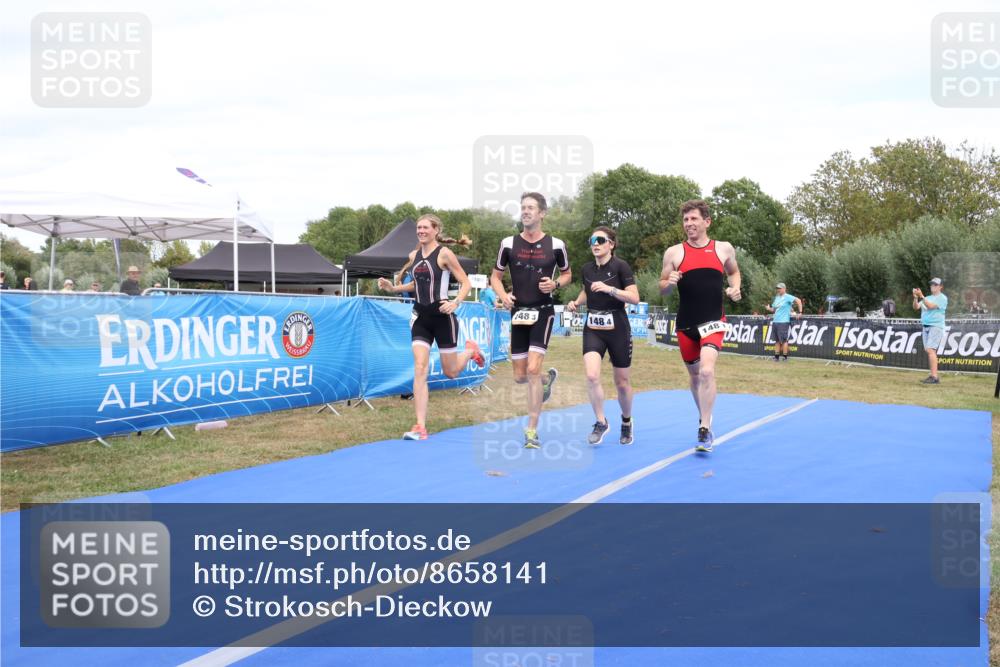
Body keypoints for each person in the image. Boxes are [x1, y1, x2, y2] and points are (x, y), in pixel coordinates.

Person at [377, 214, 485, 440]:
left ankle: (470, 351)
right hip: (421, 318)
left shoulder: (445, 254)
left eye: (425, 227)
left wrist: (455, 303)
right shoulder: (414, 255)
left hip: (443, 317)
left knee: (451, 372)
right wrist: (392, 288)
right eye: (419, 227)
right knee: (419, 368)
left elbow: (465, 282)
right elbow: (416, 284)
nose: (421, 231)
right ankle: (420, 426)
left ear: (436, 230)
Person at [490, 192, 572, 449]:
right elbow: (495, 277)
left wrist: (556, 283)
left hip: (543, 312)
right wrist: (503, 295)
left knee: (532, 370)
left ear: (542, 213)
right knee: (520, 376)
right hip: (518, 313)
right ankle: (548, 380)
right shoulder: (508, 243)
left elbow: (568, 274)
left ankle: (531, 431)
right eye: (523, 207)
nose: (525, 212)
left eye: (530, 208)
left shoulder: (556, 245)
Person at [659, 199, 741, 453]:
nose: (689, 224)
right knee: (694, 376)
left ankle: (705, 427)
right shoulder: (674, 253)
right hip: (686, 325)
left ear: (707, 222)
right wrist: (669, 282)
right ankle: (703, 415)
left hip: (714, 321)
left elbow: (734, 272)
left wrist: (735, 288)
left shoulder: (723, 248)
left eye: (694, 219)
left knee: (706, 371)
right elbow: (662, 288)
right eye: (685, 220)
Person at [565, 226, 640, 445]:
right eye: (592, 240)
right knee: (591, 375)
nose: (595, 244)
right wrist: (576, 302)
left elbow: (634, 297)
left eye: (600, 240)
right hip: (593, 326)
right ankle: (601, 421)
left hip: (618, 327)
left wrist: (610, 290)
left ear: (611, 244)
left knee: (622, 382)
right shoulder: (587, 269)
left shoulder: (620, 266)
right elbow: (586, 291)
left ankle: (626, 421)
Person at [913, 277, 948, 385]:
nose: (933, 286)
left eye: (935, 284)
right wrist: (915, 298)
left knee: (930, 350)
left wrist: (921, 296)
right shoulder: (927, 297)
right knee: (929, 350)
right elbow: (916, 307)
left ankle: (934, 377)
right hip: (926, 326)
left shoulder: (942, 298)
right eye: (932, 284)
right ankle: (933, 376)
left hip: (936, 326)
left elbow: (930, 306)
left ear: (941, 287)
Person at [765, 282, 802, 361]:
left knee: (784, 341)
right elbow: (774, 310)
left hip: (784, 322)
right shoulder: (777, 297)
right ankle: (776, 357)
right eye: (777, 288)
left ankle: (785, 358)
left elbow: (798, 301)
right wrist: (769, 309)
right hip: (775, 321)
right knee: (777, 340)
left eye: (779, 288)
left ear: (784, 289)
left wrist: (800, 312)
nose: (778, 290)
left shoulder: (788, 297)